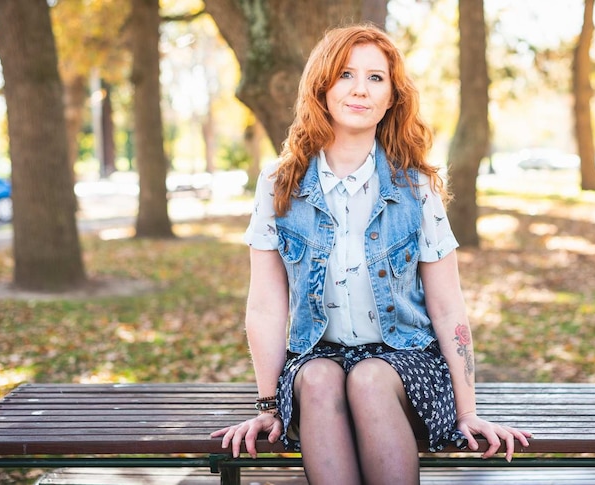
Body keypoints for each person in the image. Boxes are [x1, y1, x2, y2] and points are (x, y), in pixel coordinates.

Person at [211, 23, 531, 485]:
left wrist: (468, 412)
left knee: (369, 377)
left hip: (407, 363)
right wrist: (266, 406)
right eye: (346, 75)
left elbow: (447, 307)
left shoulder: (415, 187)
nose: (360, 89)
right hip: (315, 359)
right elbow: (264, 305)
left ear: (391, 98)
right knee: (322, 380)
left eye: (376, 78)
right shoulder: (278, 185)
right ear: (321, 87)